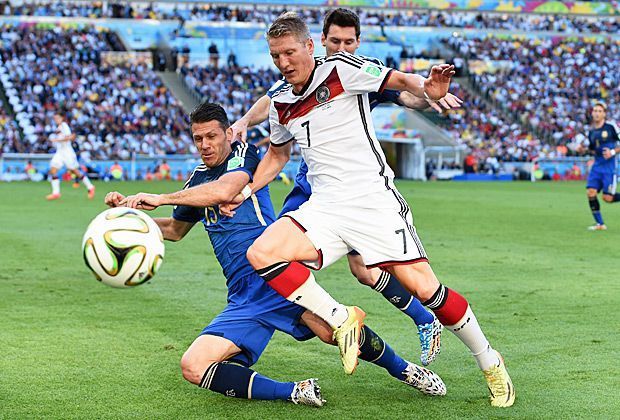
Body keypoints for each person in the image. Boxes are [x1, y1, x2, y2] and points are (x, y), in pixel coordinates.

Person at [228, 13, 514, 407]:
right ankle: (341, 317)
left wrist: (426, 87)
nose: (283, 62)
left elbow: (399, 82)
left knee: (426, 289)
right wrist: (246, 190)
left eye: (290, 52)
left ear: (310, 47)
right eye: (276, 55)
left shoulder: (342, 69)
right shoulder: (280, 100)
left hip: (371, 201)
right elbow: (278, 155)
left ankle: (489, 361)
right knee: (262, 253)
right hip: (325, 205)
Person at [104, 102, 446, 407]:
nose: (205, 145)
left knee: (337, 334)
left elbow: (226, 189)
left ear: (227, 133)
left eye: (211, 136)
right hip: (242, 297)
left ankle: (407, 372)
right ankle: (294, 391)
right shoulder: (195, 183)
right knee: (193, 367)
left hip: (276, 277)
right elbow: (174, 232)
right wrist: (129, 216)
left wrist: (162, 197)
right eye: (198, 139)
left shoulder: (244, 156)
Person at [579, 102, 620, 230]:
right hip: (597, 167)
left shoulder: (611, 128)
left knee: (607, 198)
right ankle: (600, 224)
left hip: (609, 168)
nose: (596, 113)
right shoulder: (592, 133)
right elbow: (593, 150)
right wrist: (583, 150)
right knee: (590, 192)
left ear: (604, 114)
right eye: (595, 111)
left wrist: (612, 152)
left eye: (599, 111)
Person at [45, 111, 95, 200]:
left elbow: (71, 137)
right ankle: (56, 193)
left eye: (57, 118)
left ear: (62, 118)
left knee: (75, 171)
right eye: (55, 118)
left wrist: (57, 140)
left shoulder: (64, 126)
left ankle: (90, 187)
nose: (56, 120)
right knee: (53, 169)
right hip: (60, 152)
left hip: (67, 152)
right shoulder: (59, 127)